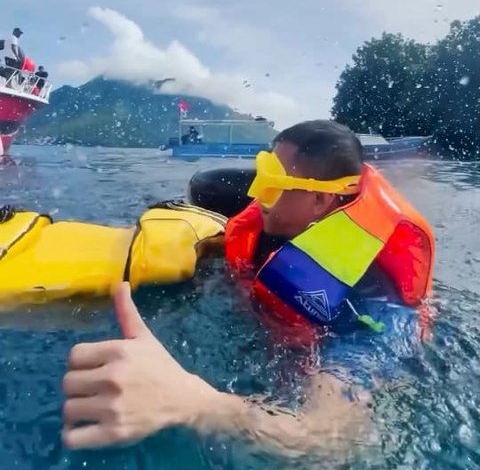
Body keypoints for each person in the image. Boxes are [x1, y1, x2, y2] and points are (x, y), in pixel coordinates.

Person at [62, 120, 435, 454]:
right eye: (259, 177)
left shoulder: (366, 307)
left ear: (320, 200)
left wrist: (194, 404)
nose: (257, 195)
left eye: (270, 185)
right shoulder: (279, 223)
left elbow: (329, 439)